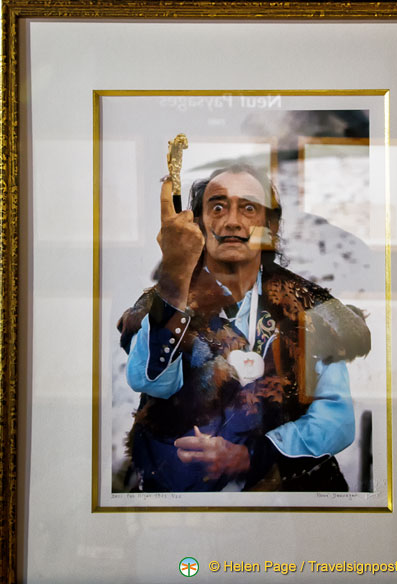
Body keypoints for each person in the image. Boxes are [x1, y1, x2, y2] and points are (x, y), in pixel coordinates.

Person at [117, 163, 371, 492]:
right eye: (218, 207)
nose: (232, 221)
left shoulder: (309, 307)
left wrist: (252, 456)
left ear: (270, 226)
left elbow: (336, 419)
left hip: (286, 503)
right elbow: (150, 381)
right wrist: (174, 278)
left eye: (249, 208)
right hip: (182, 506)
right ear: (198, 224)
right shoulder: (167, 297)